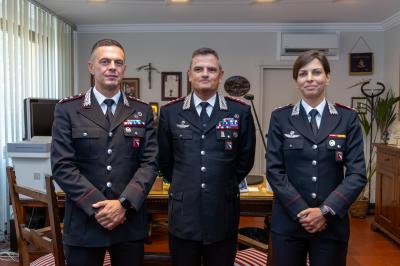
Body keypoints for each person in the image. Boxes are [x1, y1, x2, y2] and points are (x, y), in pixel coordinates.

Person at [51, 39, 158, 266]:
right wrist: (100, 208)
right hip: (84, 223)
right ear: (91, 67)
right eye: (105, 61)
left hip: (128, 222)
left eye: (118, 62)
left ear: (124, 69)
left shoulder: (142, 110)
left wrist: (122, 205)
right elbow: (62, 166)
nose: (112, 67)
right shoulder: (68, 109)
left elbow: (150, 163)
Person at [266, 50, 367, 266]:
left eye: (316, 72)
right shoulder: (281, 118)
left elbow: (357, 174)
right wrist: (302, 212)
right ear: (296, 81)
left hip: (331, 224)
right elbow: (275, 170)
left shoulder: (347, 118)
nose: (310, 78)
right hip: (289, 223)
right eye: (303, 74)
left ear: (328, 77)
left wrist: (324, 211)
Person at [157, 47, 256, 266]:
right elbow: (164, 160)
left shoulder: (239, 112)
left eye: (211, 69)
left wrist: (223, 181)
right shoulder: (170, 112)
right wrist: (186, 182)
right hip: (184, 211)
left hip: (223, 209)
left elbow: (245, 159)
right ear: (189, 75)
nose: (205, 74)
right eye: (198, 69)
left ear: (220, 76)